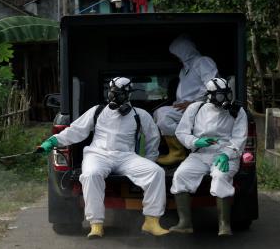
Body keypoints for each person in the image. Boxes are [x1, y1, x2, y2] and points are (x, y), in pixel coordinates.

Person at [37, 77, 169, 238]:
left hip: (126, 157)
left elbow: (153, 138)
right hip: (98, 155)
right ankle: (96, 224)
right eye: (113, 92)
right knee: (91, 175)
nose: (114, 96)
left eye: (119, 93)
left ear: (128, 94)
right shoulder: (97, 111)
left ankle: (151, 221)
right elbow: (75, 131)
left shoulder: (139, 115)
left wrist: (149, 159)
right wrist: (52, 141)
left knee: (156, 172)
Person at [169, 78, 248, 236]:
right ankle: (185, 223)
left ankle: (224, 225)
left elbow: (240, 138)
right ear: (210, 95)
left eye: (227, 95)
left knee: (220, 177)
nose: (225, 100)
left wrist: (227, 154)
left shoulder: (237, 111)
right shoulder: (196, 108)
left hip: (225, 154)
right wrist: (196, 141)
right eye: (220, 96)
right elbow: (181, 132)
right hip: (200, 154)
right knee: (180, 175)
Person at [154, 34, 218, 166]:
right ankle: (181, 145)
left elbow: (213, 84)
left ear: (184, 50)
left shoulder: (203, 62)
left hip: (201, 107)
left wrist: (195, 102)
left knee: (163, 114)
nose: (176, 57)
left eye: (177, 53)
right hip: (187, 108)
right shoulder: (184, 70)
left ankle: (178, 152)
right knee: (157, 113)